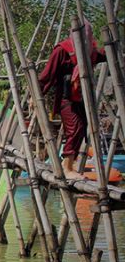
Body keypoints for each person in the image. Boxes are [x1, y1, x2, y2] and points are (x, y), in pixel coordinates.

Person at [38, 20, 106, 180]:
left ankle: (69, 163)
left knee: (83, 128)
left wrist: (113, 48)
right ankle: (67, 167)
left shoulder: (91, 51)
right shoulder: (62, 50)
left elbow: (103, 55)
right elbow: (47, 76)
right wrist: (38, 95)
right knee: (75, 127)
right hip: (66, 97)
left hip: (82, 97)